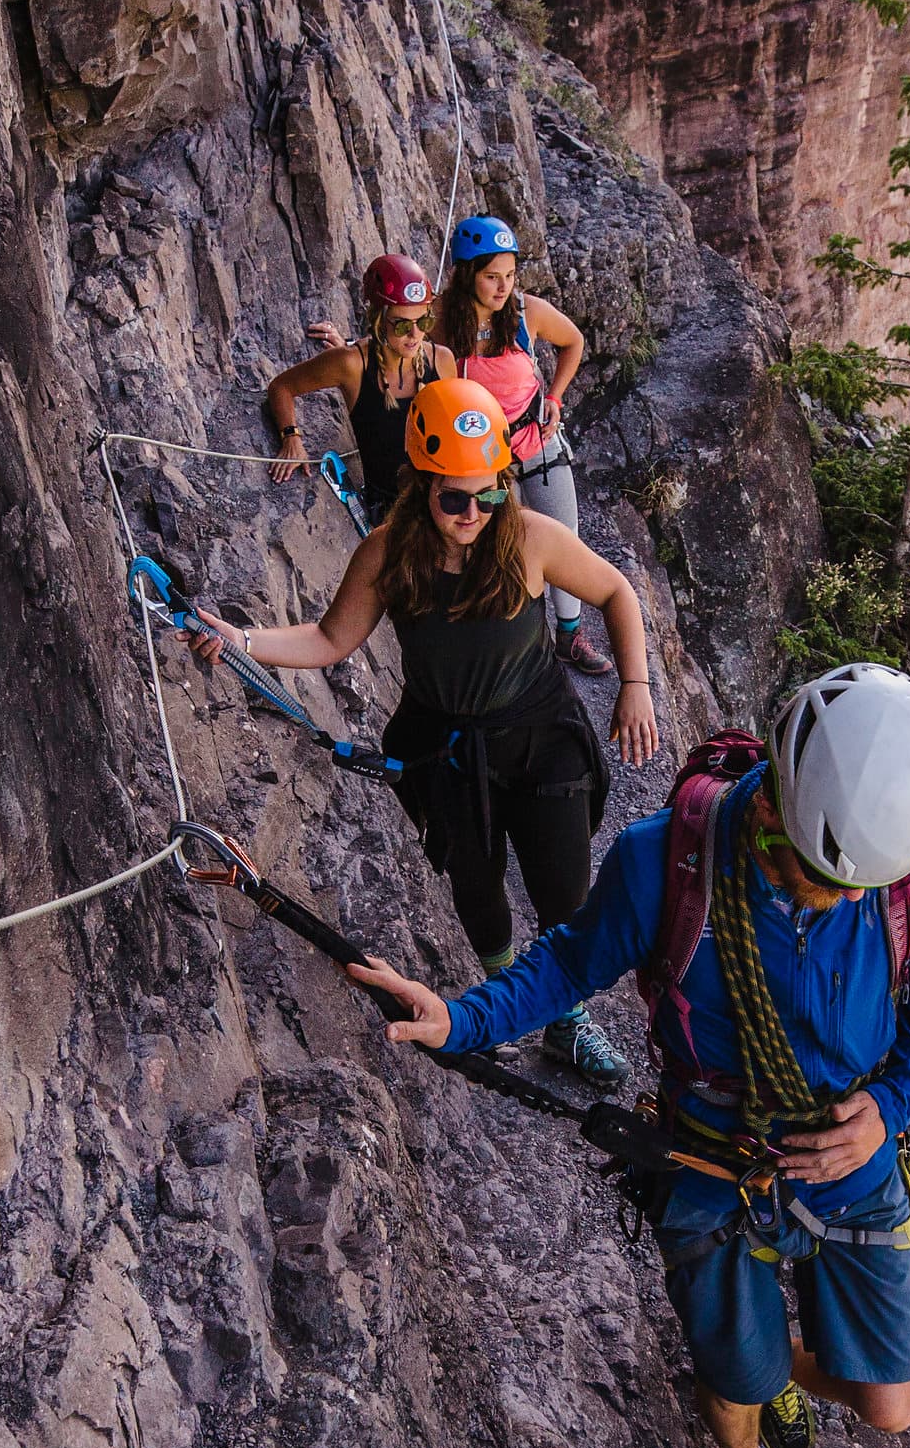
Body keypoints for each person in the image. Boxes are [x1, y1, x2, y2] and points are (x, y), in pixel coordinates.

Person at [347, 664, 910, 1448]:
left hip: (850, 1150)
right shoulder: (667, 865)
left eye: (865, 884)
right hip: (715, 1152)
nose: (854, 901)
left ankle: (771, 1374)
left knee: (890, 1406)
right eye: (830, 881)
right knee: (736, 1382)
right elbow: (569, 965)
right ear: (778, 816)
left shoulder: (899, 858)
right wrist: (461, 1018)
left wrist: (890, 1105)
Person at [189, 376, 660, 1084]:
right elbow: (329, 639)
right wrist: (243, 642)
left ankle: (564, 1017)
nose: (473, 513)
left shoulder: (530, 539)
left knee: (564, 891)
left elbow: (616, 591)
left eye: (488, 494)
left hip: (540, 735)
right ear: (421, 484)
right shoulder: (388, 553)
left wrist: (635, 687)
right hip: (448, 747)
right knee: (477, 888)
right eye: (453, 498)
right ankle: (503, 1001)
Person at [438, 214, 612, 675]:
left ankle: (570, 636)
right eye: (492, 276)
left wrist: (554, 397)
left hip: (536, 442)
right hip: (483, 462)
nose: (503, 287)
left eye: (510, 275)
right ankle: (519, 644)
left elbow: (573, 342)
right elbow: (397, 346)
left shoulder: (524, 313)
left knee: (564, 537)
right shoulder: (442, 322)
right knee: (502, 548)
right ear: (467, 275)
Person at [262, 252, 452, 520]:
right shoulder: (351, 365)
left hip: (440, 501)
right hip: (389, 509)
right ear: (379, 319)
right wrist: (291, 437)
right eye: (402, 326)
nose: (415, 335)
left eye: (423, 322)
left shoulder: (441, 360)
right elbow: (281, 387)